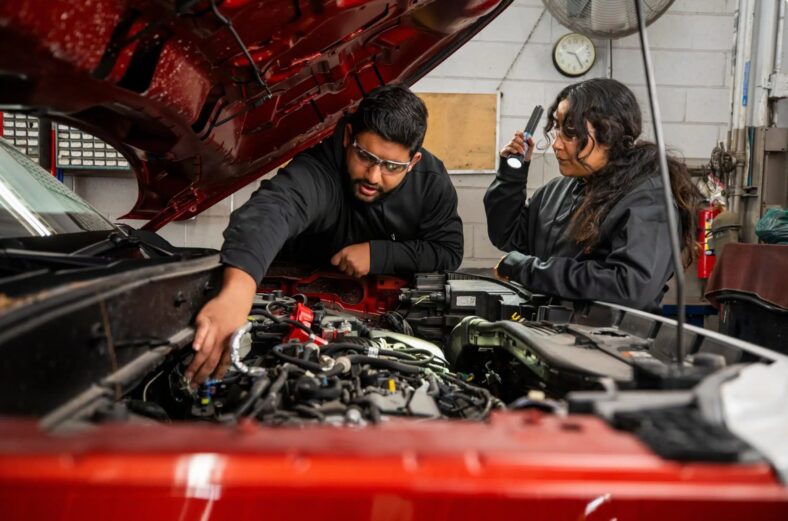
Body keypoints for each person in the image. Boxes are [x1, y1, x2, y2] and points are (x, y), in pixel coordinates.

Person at [187, 84, 463, 383]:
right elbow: (274, 209)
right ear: (348, 138)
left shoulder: (431, 183)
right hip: (292, 302)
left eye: (392, 166)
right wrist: (237, 293)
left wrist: (379, 254)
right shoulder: (320, 167)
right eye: (366, 156)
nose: (373, 175)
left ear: (413, 163)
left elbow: (449, 251)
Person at [485, 78, 700, 312]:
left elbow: (629, 286)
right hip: (551, 334)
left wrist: (528, 270)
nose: (556, 144)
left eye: (570, 132)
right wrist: (510, 176)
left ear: (610, 132)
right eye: (557, 128)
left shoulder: (648, 199)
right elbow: (507, 236)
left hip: (609, 342)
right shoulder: (557, 191)